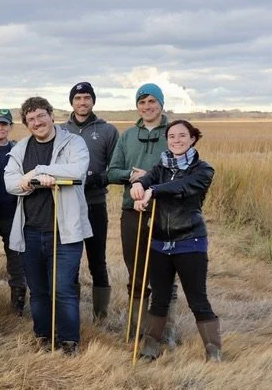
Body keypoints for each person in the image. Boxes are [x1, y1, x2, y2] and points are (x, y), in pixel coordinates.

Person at [4, 97, 92, 355]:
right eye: (31, 119)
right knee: (39, 291)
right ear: (26, 124)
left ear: (52, 116)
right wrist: (32, 183)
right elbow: (10, 183)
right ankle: (43, 336)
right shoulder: (21, 148)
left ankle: (68, 342)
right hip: (30, 231)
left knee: (63, 289)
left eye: (41, 116)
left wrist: (39, 171)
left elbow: (77, 171)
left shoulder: (73, 143)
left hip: (65, 232)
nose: (37, 122)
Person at [131, 120, 220, 362]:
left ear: (193, 138)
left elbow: (182, 186)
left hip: (190, 241)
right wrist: (138, 187)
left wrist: (154, 191)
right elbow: (147, 180)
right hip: (159, 243)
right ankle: (150, 349)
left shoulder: (203, 169)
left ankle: (213, 352)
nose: (176, 140)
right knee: (159, 298)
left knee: (197, 299)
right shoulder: (160, 166)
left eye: (182, 135)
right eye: (172, 136)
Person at [108, 83, 176, 342]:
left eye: (152, 101)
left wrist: (153, 180)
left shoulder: (173, 133)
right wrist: (131, 175)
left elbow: (182, 169)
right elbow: (112, 172)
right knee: (136, 270)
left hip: (165, 211)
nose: (147, 107)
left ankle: (163, 330)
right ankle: (137, 327)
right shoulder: (126, 136)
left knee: (165, 271)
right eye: (142, 102)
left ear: (161, 103)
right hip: (132, 211)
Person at [62, 82, 119, 322]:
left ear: (93, 101)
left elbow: (116, 166)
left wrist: (99, 178)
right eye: (78, 98)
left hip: (95, 203)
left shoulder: (107, 131)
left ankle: (101, 314)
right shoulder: (61, 130)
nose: (82, 102)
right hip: (67, 204)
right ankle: (70, 311)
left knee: (97, 259)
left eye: (87, 98)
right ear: (72, 102)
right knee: (70, 258)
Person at [0, 108, 27, 315]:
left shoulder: (17, 150)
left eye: (4, 124)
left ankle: (17, 308)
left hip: (12, 212)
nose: (0, 128)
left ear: (10, 127)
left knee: (16, 261)